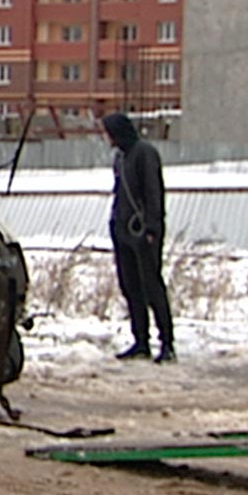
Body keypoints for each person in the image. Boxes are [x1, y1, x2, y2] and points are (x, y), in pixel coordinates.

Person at [101, 112, 174, 364]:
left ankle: (167, 343)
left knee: (152, 286)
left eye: (109, 132)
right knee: (130, 286)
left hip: (143, 232)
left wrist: (152, 228)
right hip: (123, 231)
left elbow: (154, 193)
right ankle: (140, 340)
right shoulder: (120, 157)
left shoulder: (145, 153)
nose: (107, 138)